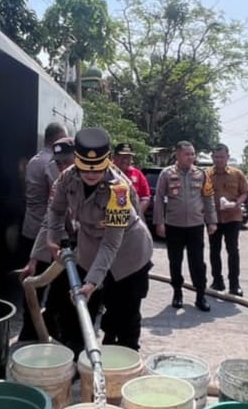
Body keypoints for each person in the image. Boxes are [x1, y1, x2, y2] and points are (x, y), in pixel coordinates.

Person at [26, 128, 154, 352]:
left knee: (123, 314)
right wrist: (53, 238)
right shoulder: (67, 177)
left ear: (107, 163)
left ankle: (124, 361)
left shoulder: (119, 190)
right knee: (78, 309)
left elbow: (111, 243)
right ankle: (78, 359)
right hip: (90, 248)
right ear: (77, 162)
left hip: (128, 255)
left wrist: (92, 282)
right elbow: (55, 210)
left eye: (97, 171)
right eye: (85, 170)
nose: (91, 175)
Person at [154, 141, 217, 312]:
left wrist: (211, 221)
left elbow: (208, 198)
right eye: (187, 154)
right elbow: (159, 198)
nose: (191, 157)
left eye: (193, 154)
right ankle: (177, 292)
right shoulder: (166, 174)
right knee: (175, 261)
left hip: (196, 226)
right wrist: (159, 222)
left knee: (197, 262)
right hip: (174, 225)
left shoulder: (201, 174)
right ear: (178, 155)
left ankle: (200, 295)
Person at [18, 121, 67, 339]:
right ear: (57, 140)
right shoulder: (52, 164)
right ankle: (38, 333)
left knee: (33, 287)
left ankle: (33, 332)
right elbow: (58, 202)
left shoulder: (35, 160)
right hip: (46, 234)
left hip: (31, 228)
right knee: (48, 286)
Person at [207, 143, 248, 296]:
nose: (219, 160)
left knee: (233, 250)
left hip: (233, 217)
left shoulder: (237, 174)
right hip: (213, 218)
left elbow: (245, 192)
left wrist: (237, 203)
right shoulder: (206, 175)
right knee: (214, 250)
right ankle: (217, 281)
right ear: (212, 157)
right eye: (216, 157)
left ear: (228, 157)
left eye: (222, 157)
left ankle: (234, 284)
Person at [113, 142, 151, 217]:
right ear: (114, 157)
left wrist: (136, 214)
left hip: (131, 220)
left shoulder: (137, 174)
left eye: (128, 157)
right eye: (122, 157)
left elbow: (145, 198)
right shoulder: (106, 172)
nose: (125, 160)